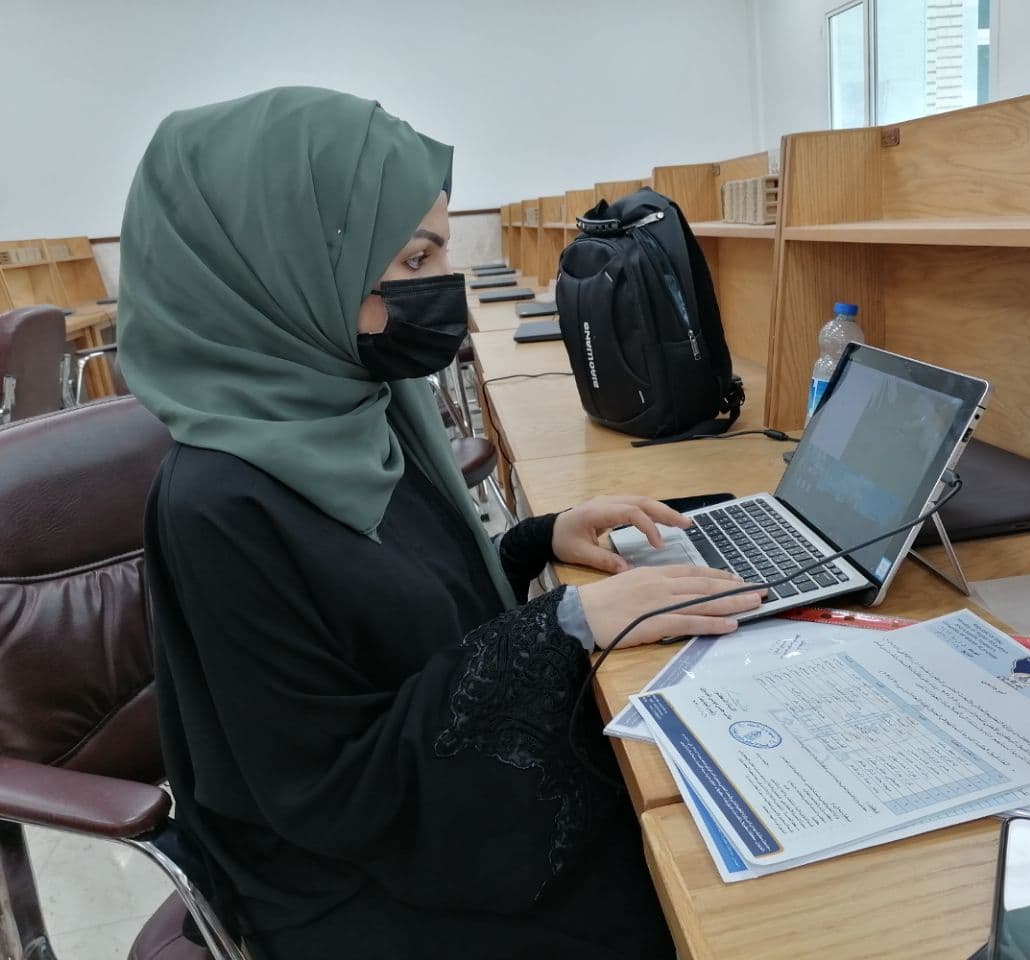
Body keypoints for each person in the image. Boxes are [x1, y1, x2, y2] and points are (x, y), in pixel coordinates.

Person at [117, 87, 764, 960]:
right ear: (290, 270)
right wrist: (560, 626)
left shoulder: (362, 405)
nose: (443, 288)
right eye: (415, 260)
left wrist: (537, 541)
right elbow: (328, 786)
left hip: (438, 797)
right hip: (349, 872)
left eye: (440, 252)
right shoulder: (216, 504)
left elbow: (387, 602)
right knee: (682, 896)